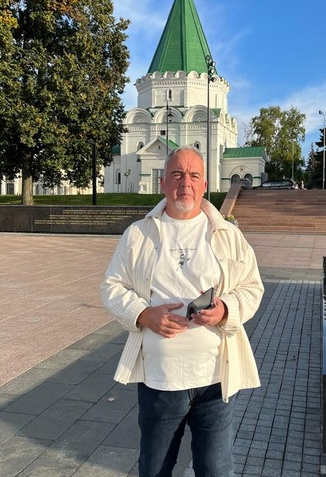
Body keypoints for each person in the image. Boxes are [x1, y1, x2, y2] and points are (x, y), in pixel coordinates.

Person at [101, 146, 264, 477]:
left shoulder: (227, 235)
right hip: (161, 380)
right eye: (176, 174)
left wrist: (226, 309)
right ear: (163, 182)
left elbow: (252, 287)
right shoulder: (138, 234)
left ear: (204, 185)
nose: (185, 183)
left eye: (193, 175)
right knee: (155, 469)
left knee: (216, 470)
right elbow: (112, 286)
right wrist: (144, 314)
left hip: (216, 379)